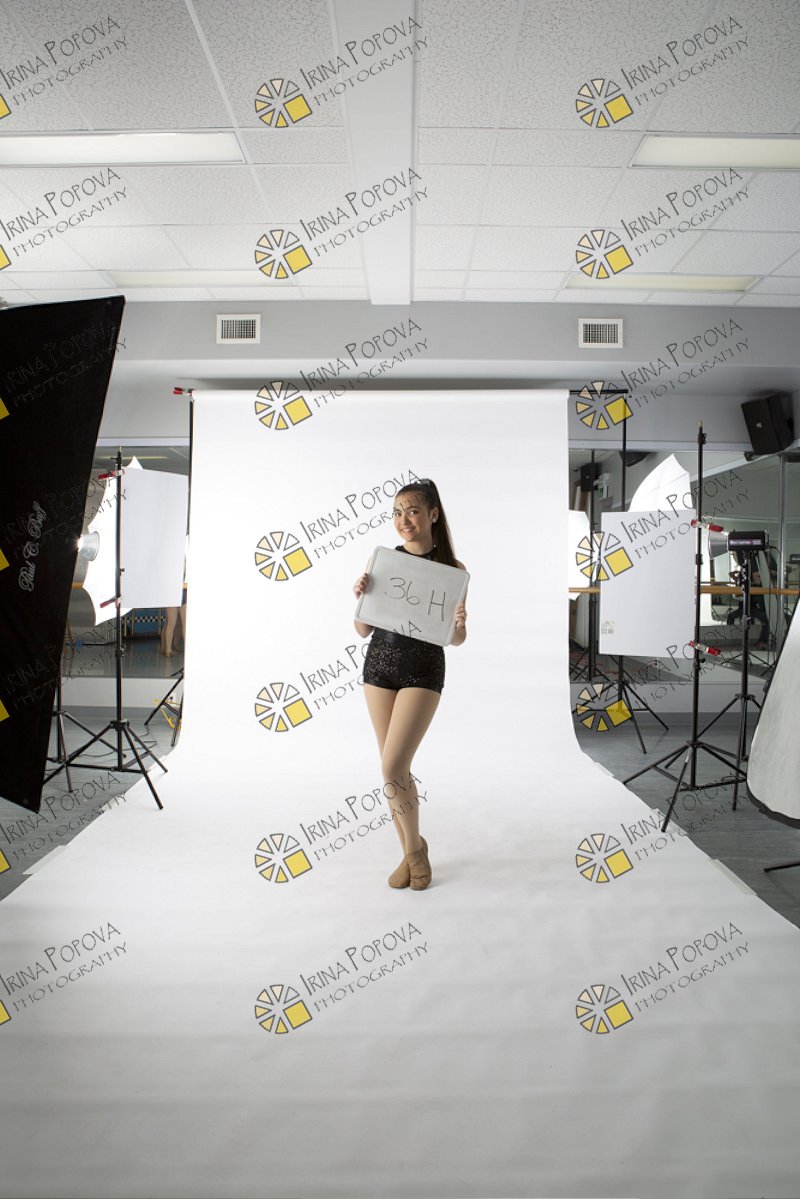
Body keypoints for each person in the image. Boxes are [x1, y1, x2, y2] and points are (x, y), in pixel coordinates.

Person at [352, 478, 467, 891]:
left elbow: (455, 639)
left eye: (413, 511)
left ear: (432, 514)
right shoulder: (385, 561)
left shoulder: (453, 571)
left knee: (392, 766)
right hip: (379, 666)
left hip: (423, 670)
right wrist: (361, 596)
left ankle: (415, 853)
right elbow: (362, 629)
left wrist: (459, 624)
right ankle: (411, 851)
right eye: (397, 513)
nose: (404, 520)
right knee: (392, 771)